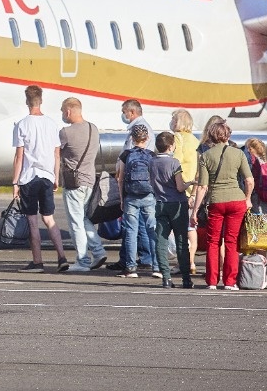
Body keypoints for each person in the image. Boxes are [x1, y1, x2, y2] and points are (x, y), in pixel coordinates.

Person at [190, 119, 254, 290]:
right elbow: (249, 180)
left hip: (216, 201)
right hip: (236, 200)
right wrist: (247, 198)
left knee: (213, 242)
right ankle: (230, 282)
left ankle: (212, 281)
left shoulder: (205, 156)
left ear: (211, 136)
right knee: (231, 242)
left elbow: (203, 186)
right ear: (228, 135)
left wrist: (195, 211)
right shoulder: (238, 154)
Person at [13, 85, 69, 273]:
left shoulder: (22, 124)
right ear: (41, 100)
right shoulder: (52, 124)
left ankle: (38, 262)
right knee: (49, 218)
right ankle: (61, 257)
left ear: (27, 101)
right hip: (47, 176)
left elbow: (19, 156)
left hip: (29, 177)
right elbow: (56, 153)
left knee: (33, 222)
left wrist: (15, 182)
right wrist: (56, 176)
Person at [108, 99, 157, 275]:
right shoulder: (147, 133)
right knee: (149, 227)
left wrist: (121, 193)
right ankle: (152, 262)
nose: (123, 115)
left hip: (132, 190)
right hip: (147, 189)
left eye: (124, 112)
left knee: (131, 228)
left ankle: (129, 264)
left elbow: (125, 160)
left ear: (132, 112)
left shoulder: (136, 131)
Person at [59, 97, 106, 272]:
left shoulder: (66, 132)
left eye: (63, 111)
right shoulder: (93, 128)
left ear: (69, 111)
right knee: (85, 218)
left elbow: (58, 153)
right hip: (90, 181)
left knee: (75, 223)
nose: (63, 115)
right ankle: (98, 251)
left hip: (74, 183)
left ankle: (83, 261)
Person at [151, 131, 195, 288]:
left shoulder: (152, 162)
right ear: (170, 146)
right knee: (181, 241)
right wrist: (190, 183)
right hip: (177, 204)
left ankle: (166, 277)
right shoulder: (174, 163)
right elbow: (179, 186)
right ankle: (186, 279)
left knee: (161, 240)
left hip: (159, 203)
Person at [170, 109, 200, 276]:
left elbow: (175, 160)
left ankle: (181, 261)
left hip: (178, 187)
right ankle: (191, 261)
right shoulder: (195, 141)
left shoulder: (177, 138)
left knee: (177, 229)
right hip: (192, 189)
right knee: (191, 229)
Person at [244, 138, 267, 218]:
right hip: (264, 194)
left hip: (253, 194)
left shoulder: (251, 161)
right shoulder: (263, 162)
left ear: (250, 149)